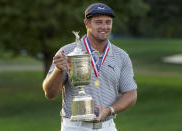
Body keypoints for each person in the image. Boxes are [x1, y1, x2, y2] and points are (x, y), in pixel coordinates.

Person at [43, 3, 137, 131]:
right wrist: (58, 71)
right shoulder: (67, 52)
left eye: (108, 22)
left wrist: (109, 110)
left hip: (108, 126)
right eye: (98, 22)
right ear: (87, 23)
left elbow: (131, 94)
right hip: (75, 127)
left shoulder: (121, 56)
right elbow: (50, 94)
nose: (104, 27)